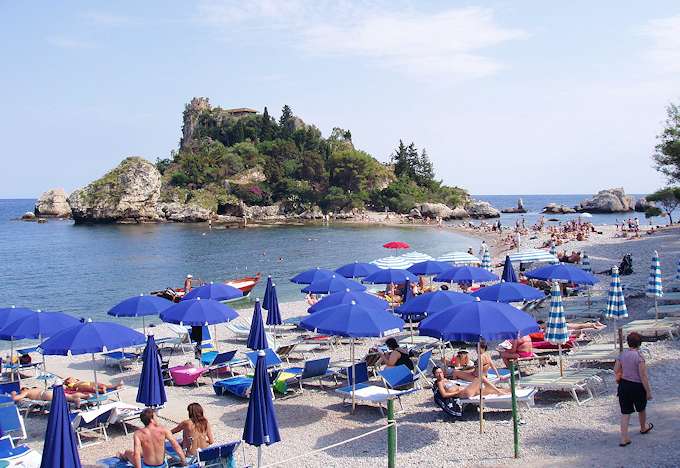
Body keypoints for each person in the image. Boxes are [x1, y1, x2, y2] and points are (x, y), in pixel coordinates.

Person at [615, 332, 653, 447]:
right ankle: (643, 427)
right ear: (639, 344)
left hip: (624, 386)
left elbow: (616, 369)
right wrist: (648, 391)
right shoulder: (640, 357)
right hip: (637, 386)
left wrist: (620, 378)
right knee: (641, 408)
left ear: (628, 342)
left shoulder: (622, 355)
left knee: (625, 413)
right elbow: (643, 376)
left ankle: (624, 438)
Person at [119, 408, 186, 468]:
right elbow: (176, 446)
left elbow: (136, 455)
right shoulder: (164, 430)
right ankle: (122, 455)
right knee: (139, 452)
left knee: (128, 452)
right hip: (162, 466)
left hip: (146, 466)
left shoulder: (138, 434)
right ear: (152, 420)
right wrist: (184, 462)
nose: (157, 418)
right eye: (155, 416)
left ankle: (122, 456)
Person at [433, 366, 509, 399]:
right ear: (434, 375)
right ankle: (499, 391)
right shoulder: (440, 383)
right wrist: (457, 392)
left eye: (440, 372)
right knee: (481, 377)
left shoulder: (446, 380)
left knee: (489, 391)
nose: (440, 374)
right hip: (463, 393)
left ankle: (509, 391)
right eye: (437, 373)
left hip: (465, 390)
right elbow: (444, 395)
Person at [12, 387, 91, 406]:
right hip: (48, 391)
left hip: (44, 396)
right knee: (68, 396)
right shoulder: (35, 389)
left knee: (68, 398)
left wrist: (14, 394)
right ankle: (85, 396)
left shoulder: (26, 392)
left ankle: (75, 400)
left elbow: (16, 398)